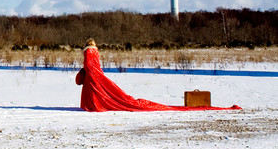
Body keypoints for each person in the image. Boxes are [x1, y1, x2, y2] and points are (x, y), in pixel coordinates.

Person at [75, 38, 240, 112]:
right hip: (93, 81)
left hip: (91, 84)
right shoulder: (94, 59)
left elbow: (87, 71)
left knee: (128, 102)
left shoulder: (89, 59)